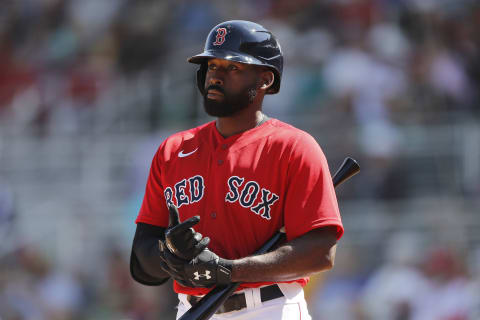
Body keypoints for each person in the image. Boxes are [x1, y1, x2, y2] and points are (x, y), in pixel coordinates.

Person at [130, 20, 343, 319]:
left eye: (232, 68)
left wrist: (229, 270)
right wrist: (170, 256)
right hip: (192, 309)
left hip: (270, 308)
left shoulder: (294, 147)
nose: (215, 76)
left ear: (265, 80)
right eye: (212, 65)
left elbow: (321, 251)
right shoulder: (173, 150)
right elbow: (142, 256)